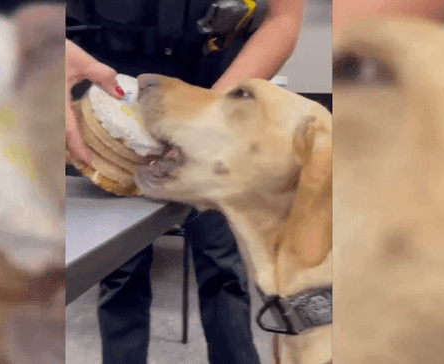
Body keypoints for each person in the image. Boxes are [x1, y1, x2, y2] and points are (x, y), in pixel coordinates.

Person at [65, 1, 305, 364]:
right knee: (120, 271)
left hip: (209, 90)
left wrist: (209, 111)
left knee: (221, 265)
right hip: (112, 95)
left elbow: (283, 19)